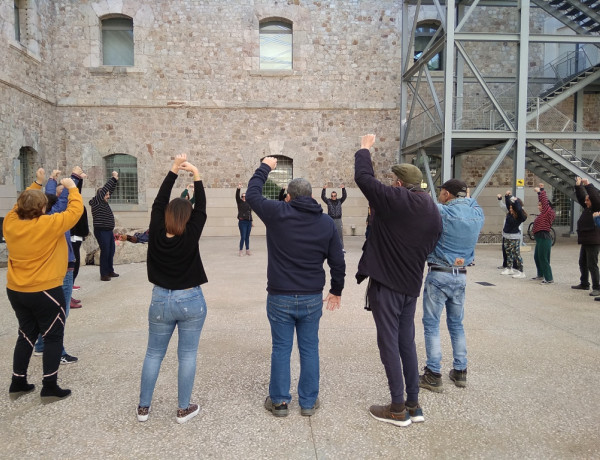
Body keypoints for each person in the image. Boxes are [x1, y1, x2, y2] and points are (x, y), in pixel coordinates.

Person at [245, 157, 345, 418]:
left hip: (280, 296)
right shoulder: (326, 223)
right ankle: (308, 402)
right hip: (311, 296)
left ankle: (279, 402)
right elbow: (338, 260)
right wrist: (336, 290)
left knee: (281, 348)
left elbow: (252, 193)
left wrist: (265, 166)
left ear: (288, 197)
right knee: (309, 348)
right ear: (312, 196)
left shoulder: (277, 213)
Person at [355, 134, 441, 427]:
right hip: (410, 285)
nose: (391, 184)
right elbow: (431, 243)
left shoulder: (396, 200)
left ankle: (396, 407)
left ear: (401, 184)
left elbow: (364, 179)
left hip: (388, 286)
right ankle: (414, 404)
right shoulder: (431, 208)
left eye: (394, 181)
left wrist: (364, 149)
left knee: (388, 342)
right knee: (406, 341)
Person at [137, 154, 208, 424]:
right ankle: (182, 409)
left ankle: (144, 408)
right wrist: (196, 174)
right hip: (190, 299)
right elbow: (201, 207)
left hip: (160, 298)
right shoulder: (191, 232)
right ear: (189, 218)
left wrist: (174, 170)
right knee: (187, 355)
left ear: (165, 215)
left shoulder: (156, 231)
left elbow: (159, 200)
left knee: (154, 353)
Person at [3, 168, 83, 402]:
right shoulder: (48, 224)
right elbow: (75, 211)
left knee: (26, 334)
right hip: (45, 290)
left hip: (16, 290)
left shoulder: (10, 223)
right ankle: (49, 385)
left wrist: (37, 184)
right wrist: (72, 187)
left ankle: (18, 382)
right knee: (53, 336)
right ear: (41, 209)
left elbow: (18, 206)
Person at [419, 180, 484, 393]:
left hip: (439, 272)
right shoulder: (476, 212)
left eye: (441, 193)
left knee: (432, 324)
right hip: (461, 275)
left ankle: (434, 372)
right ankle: (460, 370)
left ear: (446, 193)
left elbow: (423, 204)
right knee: (457, 324)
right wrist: (465, 197)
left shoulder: (443, 212)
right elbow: (472, 201)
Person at [32, 169, 80, 364]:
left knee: (51, 310)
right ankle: (58, 352)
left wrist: (51, 179)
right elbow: (62, 199)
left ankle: (41, 345)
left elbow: (51, 196)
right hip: (63, 268)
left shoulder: (40, 216)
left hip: (50, 268)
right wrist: (73, 181)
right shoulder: (56, 216)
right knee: (60, 312)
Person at [572, 177, 600, 297]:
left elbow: (593, 197)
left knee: (592, 264)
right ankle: (584, 283)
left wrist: (588, 184)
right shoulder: (588, 208)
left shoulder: (596, 208)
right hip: (586, 240)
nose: (586, 201)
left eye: (588, 200)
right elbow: (582, 196)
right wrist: (578, 186)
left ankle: (597, 287)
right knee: (582, 262)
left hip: (593, 241)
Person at [89, 171, 119, 281]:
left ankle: (110, 270)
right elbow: (106, 190)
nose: (108, 196)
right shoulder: (97, 202)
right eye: (106, 195)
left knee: (111, 250)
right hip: (101, 231)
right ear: (100, 195)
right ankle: (104, 274)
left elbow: (109, 190)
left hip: (108, 231)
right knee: (105, 250)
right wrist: (113, 178)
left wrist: (115, 181)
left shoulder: (104, 202)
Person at [69, 167, 89, 308]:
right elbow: (70, 192)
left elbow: (77, 192)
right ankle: (66, 296)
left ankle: (68, 294)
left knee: (75, 267)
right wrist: (75, 177)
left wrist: (79, 179)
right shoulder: (67, 204)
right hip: (71, 238)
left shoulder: (75, 200)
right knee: (72, 267)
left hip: (77, 237)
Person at [499, 191, 527, 279]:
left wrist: (516, 201)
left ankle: (521, 271)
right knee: (508, 253)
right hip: (507, 235)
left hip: (514, 237)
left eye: (512, 208)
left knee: (516, 254)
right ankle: (509, 268)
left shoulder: (519, 216)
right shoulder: (510, 214)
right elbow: (508, 206)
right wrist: (507, 197)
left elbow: (518, 209)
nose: (510, 209)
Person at [531, 183, 556, 284]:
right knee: (537, 256)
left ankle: (549, 278)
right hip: (539, 237)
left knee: (543, 258)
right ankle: (540, 274)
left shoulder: (548, 212)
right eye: (538, 205)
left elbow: (544, 202)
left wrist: (541, 190)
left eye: (540, 205)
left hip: (544, 237)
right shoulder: (543, 214)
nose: (539, 206)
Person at [321, 183, 347, 249]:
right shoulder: (328, 201)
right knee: (329, 233)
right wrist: (324, 189)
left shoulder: (339, 201)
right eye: (332, 196)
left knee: (339, 234)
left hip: (338, 219)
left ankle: (341, 248)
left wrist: (343, 189)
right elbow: (323, 197)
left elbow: (344, 196)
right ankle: (329, 247)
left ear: (336, 196)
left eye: (334, 196)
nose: (333, 197)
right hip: (331, 219)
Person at [497, 195, 518, 271]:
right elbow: (503, 206)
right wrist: (501, 199)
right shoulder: (508, 211)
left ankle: (516, 266)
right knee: (505, 250)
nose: (510, 208)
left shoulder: (518, 213)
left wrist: (507, 197)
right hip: (506, 234)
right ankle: (506, 264)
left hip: (513, 235)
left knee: (514, 251)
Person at [236, 183, 253, 256]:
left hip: (248, 221)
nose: (244, 197)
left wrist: (251, 221)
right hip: (242, 221)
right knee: (243, 236)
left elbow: (250, 213)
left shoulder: (249, 203)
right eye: (243, 196)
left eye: (245, 196)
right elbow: (236, 196)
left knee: (247, 236)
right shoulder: (239, 202)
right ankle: (240, 250)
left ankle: (247, 250)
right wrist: (238, 188)